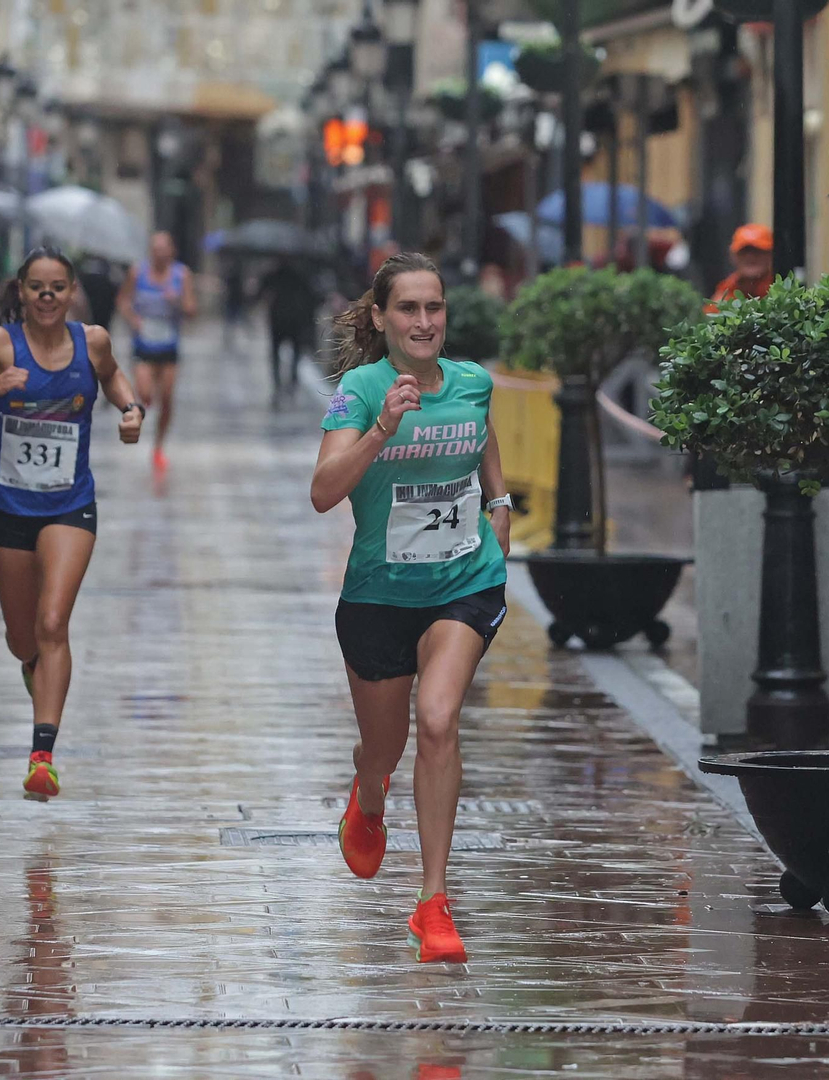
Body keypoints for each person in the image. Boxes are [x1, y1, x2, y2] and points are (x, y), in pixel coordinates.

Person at [311, 252, 512, 964]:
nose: (424, 322)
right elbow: (323, 492)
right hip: (379, 596)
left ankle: (433, 901)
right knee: (384, 749)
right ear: (380, 317)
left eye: (434, 308)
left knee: (438, 718)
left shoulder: (473, 381)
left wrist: (500, 503)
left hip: (464, 581)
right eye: (408, 309)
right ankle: (369, 797)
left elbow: (482, 435)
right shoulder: (359, 391)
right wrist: (381, 430)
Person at [0, 248, 143, 801]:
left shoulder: (92, 341)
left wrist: (131, 409)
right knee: (22, 637)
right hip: (7, 506)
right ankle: (32, 665)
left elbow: (114, 377)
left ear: (72, 293)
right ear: (21, 292)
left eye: (57, 287)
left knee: (52, 622)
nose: (47, 297)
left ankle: (42, 756)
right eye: (37, 287)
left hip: (70, 504)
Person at [118, 232, 195, 472]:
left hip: (169, 346)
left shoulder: (181, 275)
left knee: (167, 397)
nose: (159, 253)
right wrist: (133, 318)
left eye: (163, 249)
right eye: (155, 249)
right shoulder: (137, 273)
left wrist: (177, 301)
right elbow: (123, 301)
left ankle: (159, 446)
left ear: (172, 251)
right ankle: (144, 418)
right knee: (145, 394)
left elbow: (191, 309)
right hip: (143, 344)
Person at [257, 259, 320, 400]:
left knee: (275, 353)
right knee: (295, 352)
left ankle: (278, 383)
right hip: (294, 320)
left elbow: (261, 291)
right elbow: (311, 296)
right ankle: (292, 380)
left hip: (278, 319)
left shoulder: (275, 274)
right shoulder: (301, 275)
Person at [706, 223, 774, 311]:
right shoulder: (724, 293)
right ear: (733, 256)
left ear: (771, 255)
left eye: (758, 251)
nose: (750, 257)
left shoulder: (781, 292)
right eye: (744, 251)